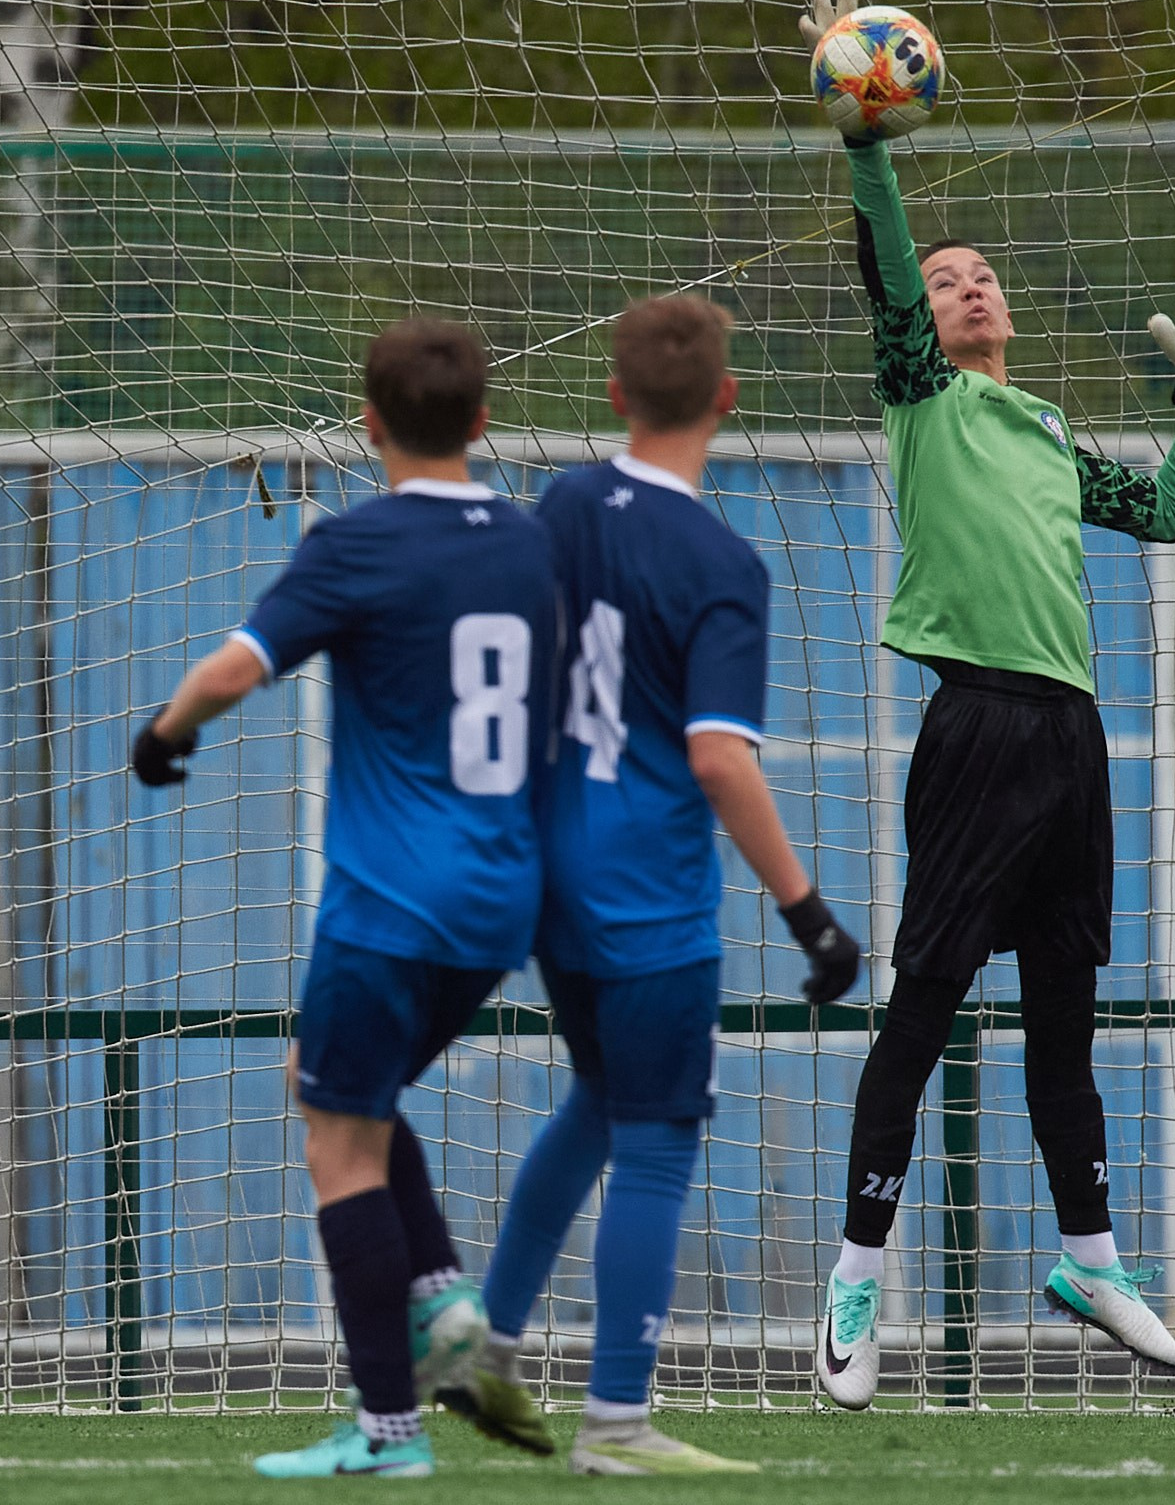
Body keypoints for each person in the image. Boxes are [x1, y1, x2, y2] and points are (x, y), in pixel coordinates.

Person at [795, 0, 1175, 1408]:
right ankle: (857, 1277)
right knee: (925, 1008)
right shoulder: (922, 395)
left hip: (1072, 734)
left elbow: (1170, 514)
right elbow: (887, 265)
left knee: (1067, 1016)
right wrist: (866, 145)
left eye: (983, 273)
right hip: (979, 726)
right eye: (949, 280)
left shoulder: (1050, 431)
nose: (969, 286)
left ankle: (1090, 1259)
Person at [442, 294, 863, 1474]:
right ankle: (616, 1420)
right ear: (726, 398)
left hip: (548, 870)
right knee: (660, 1137)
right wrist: (810, 914)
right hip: (646, 892)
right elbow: (718, 756)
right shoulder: (723, 563)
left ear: (615, 394)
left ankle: (486, 1349)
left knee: (595, 1099)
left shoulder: (568, 502)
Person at [131, 318, 557, 1480]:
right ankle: (439, 1291)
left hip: (391, 900)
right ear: (481, 422)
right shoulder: (534, 546)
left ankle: (389, 1428)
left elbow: (235, 666)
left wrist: (164, 733)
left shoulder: (359, 542)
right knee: (329, 1085)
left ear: (369, 425)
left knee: (339, 1145)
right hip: (501, 900)